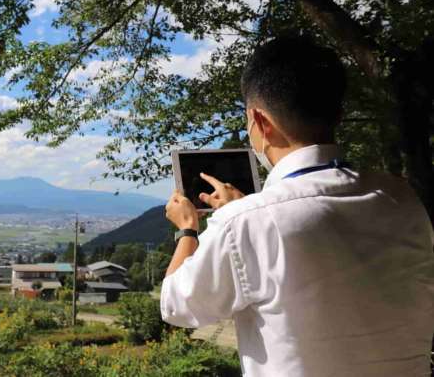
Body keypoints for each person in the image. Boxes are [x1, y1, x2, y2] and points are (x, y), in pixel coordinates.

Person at [161, 36, 434, 377]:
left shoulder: (246, 223)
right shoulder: (402, 198)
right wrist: (246, 213)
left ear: (259, 123)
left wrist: (188, 229)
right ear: (338, 113)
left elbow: (176, 305)